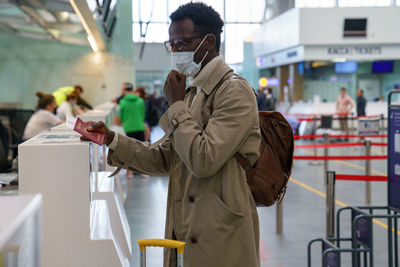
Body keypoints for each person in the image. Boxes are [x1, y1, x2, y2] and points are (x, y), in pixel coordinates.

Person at [82, 3, 261, 267]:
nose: (175, 51)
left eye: (181, 42)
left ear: (209, 41)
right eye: (172, 44)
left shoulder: (234, 92)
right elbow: (165, 157)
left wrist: (176, 105)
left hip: (221, 231)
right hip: (185, 224)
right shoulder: (194, 94)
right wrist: (111, 139)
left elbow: (204, 159)